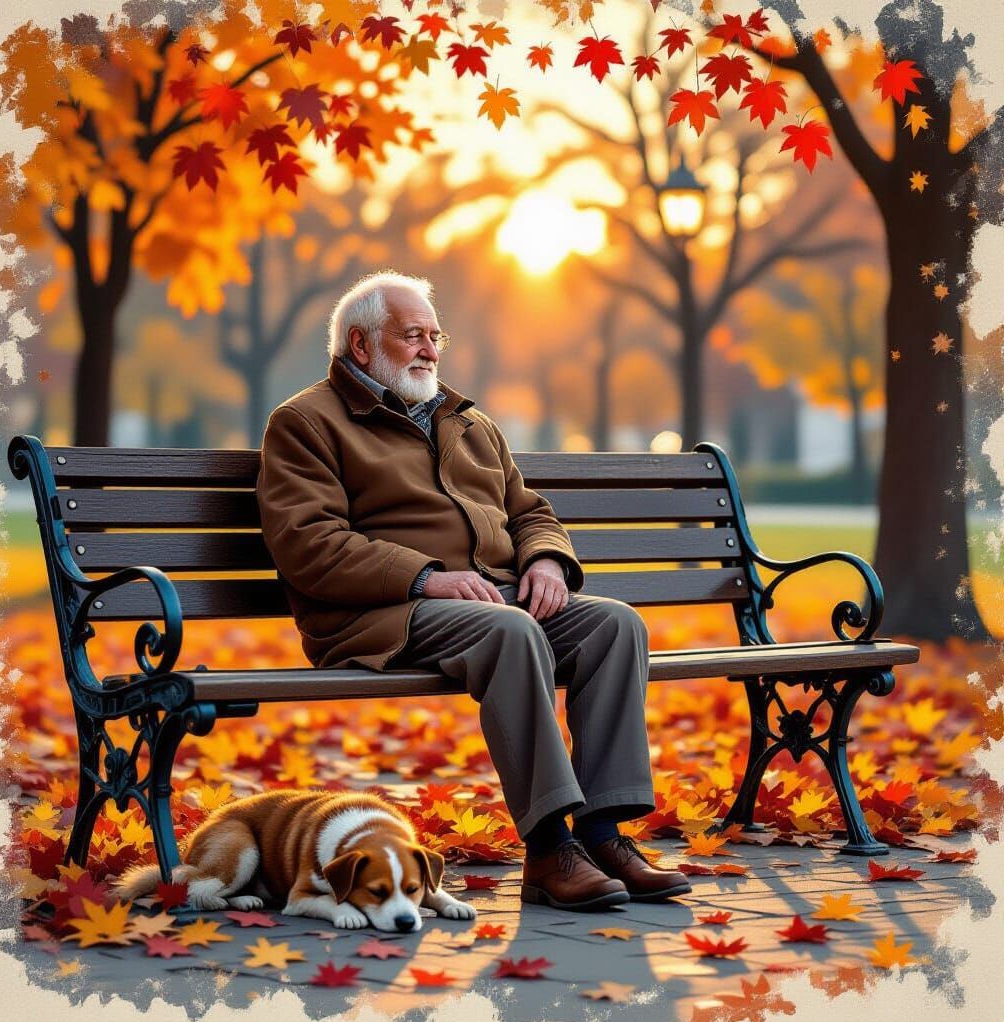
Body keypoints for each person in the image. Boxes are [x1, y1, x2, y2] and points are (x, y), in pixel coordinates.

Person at [256, 269, 691, 912]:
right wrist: (425, 576)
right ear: (360, 344)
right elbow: (308, 542)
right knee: (510, 631)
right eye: (414, 336)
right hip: (380, 615)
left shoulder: (467, 421)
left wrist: (545, 562)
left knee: (613, 624)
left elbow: (530, 512)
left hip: (490, 600)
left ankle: (602, 835)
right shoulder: (305, 423)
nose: (431, 349)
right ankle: (547, 850)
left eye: (437, 335)